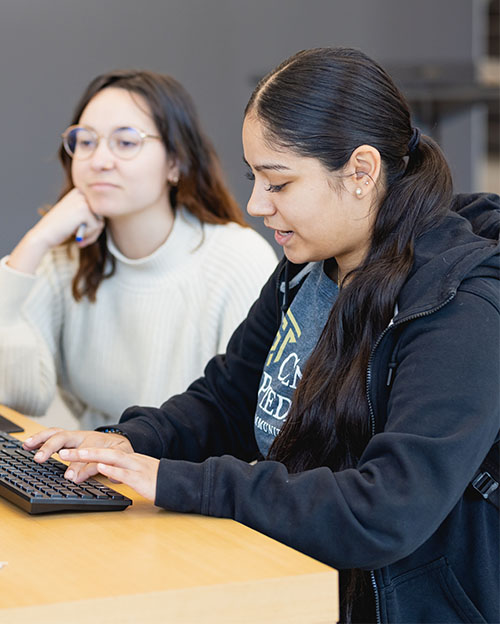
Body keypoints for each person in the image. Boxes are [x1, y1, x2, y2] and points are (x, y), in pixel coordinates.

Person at [25, 48, 499, 623]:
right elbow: (227, 398)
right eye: (256, 179)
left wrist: (181, 482)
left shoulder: (460, 306)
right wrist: (132, 442)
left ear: (361, 172)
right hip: (287, 578)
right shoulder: (309, 265)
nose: (255, 205)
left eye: (278, 183)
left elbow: (384, 510)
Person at [0, 69, 277, 429]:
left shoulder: (237, 259)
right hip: (91, 474)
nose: (99, 160)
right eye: (85, 142)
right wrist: (35, 243)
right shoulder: (66, 257)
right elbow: (17, 394)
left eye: (126, 142)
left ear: (175, 162)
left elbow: (249, 423)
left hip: (182, 480)